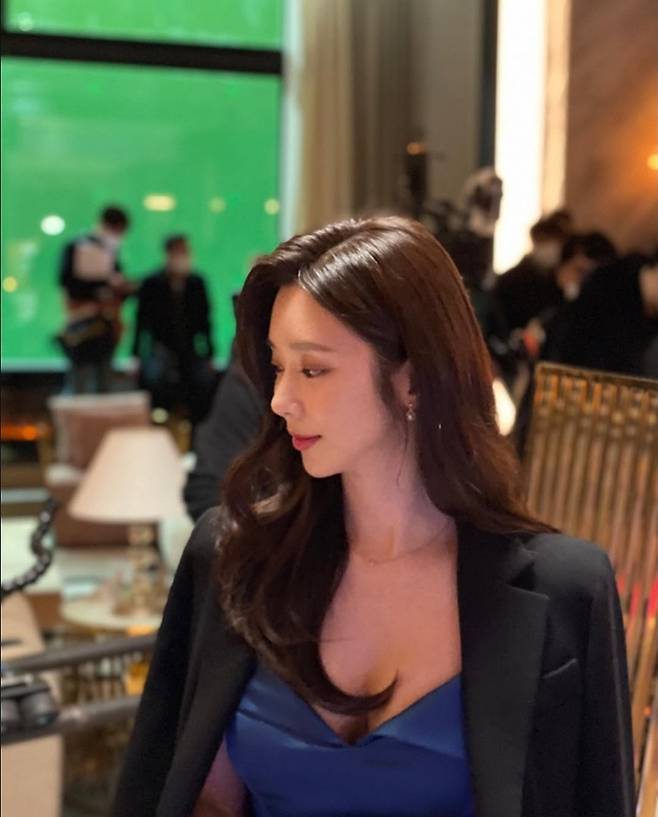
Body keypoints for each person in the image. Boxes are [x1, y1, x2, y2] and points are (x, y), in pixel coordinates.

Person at [112, 217, 634, 817]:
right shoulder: (232, 556)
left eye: (313, 369)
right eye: (277, 367)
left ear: (414, 378)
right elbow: (192, 793)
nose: (280, 400)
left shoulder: (566, 589)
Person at [132, 234, 217, 424]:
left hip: (190, 348)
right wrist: (136, 355)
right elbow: (141, 322)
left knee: (203, 381)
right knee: (154, 378)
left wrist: (210, 353)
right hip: (161, 347)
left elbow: (206, 321)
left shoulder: (197, 283)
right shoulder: (151, 283)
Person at [57, 205, 133, 393]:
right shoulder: (78, 246)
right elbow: (66, 282)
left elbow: (117, 280)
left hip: (106, 321)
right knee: (80, 377)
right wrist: (100, 288)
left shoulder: (110, 250)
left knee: (104, 376)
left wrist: (120, 289)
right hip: (82, 320)